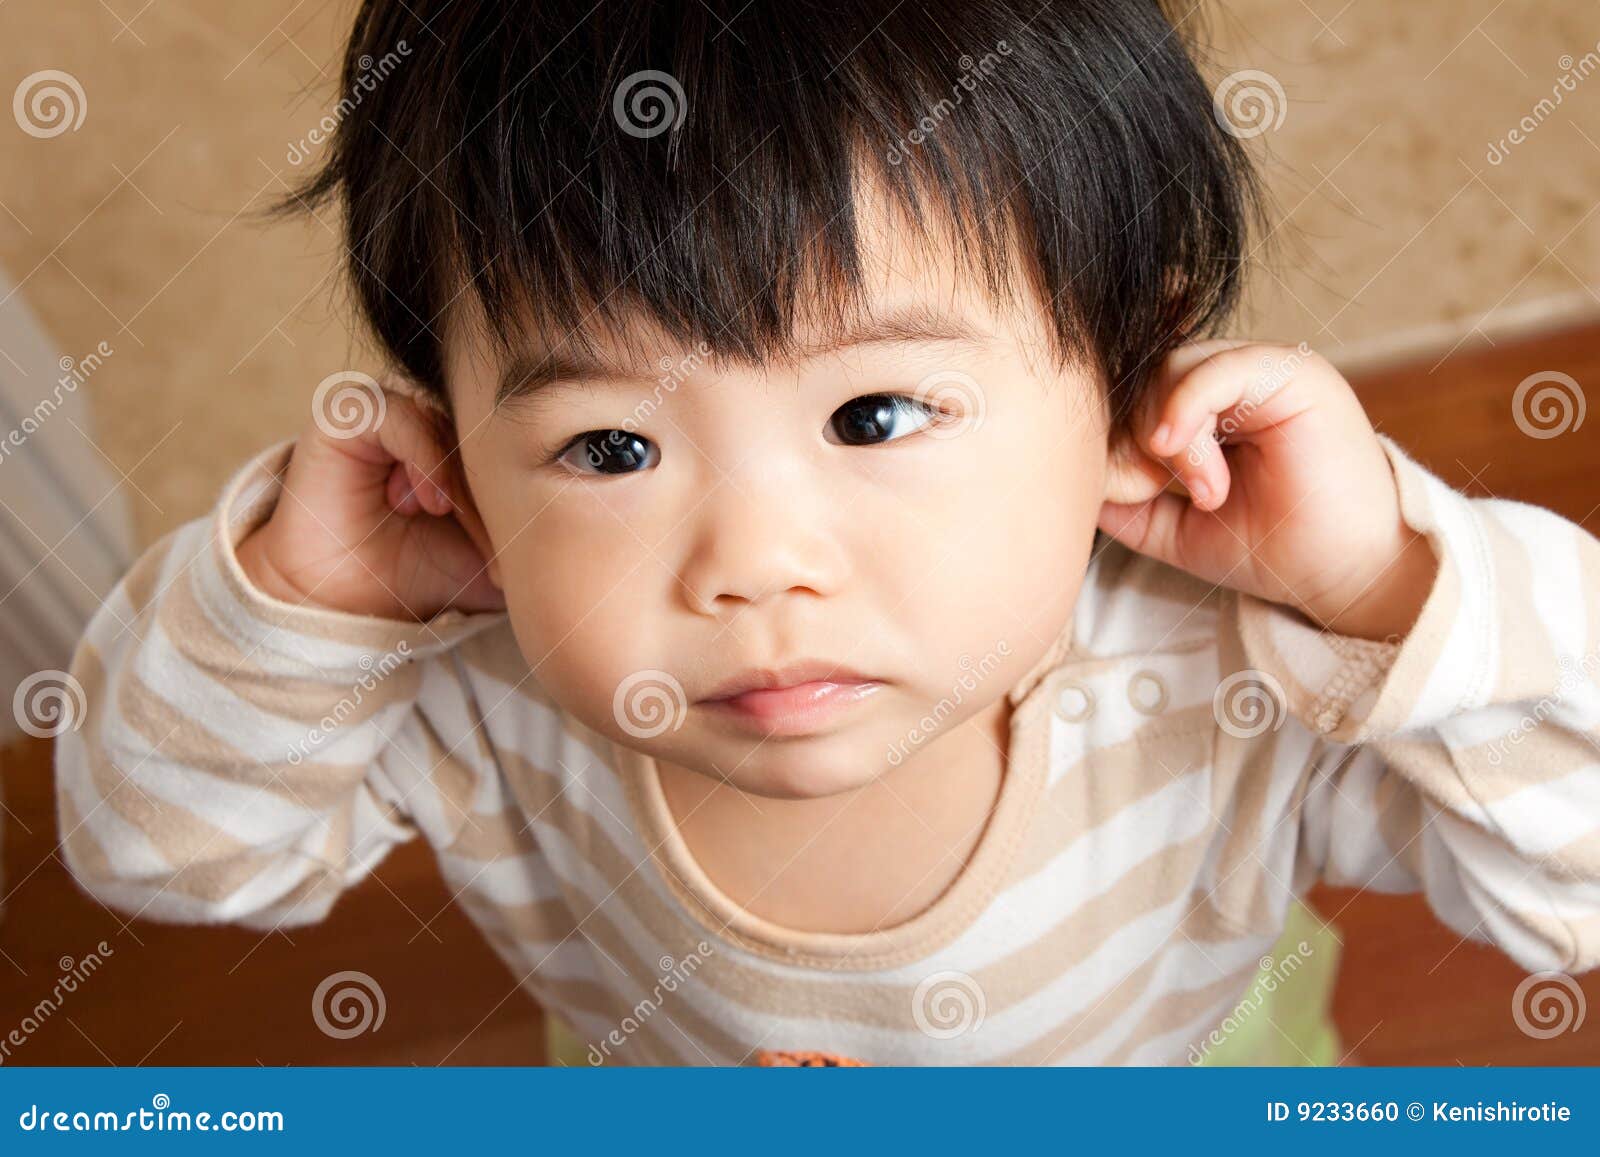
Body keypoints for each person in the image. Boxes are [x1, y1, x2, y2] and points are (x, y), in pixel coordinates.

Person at [54, 0, 1600, 1064]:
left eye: (875, 416)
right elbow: (167, 858)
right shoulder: (488, 698)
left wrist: (1381, 583)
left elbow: (1574, 879)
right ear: (452, 458)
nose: (755, 560)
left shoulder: (1242, 678)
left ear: (1135, 377)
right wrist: (294, 607)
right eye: (610, 445)